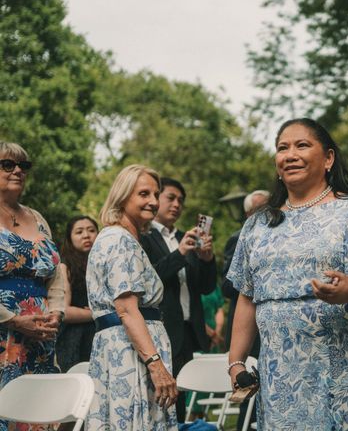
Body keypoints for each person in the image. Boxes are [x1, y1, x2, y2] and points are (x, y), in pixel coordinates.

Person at [227, 118, 348, 430]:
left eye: (302, 145)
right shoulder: (257, 225)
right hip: (280, 376)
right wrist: (236, 362)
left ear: (328, 159)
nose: (290, 154)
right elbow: (247, 297)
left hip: (346, 373)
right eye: (282, 148)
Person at [86, 164, 178, 430]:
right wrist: (155, 364)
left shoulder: (121, 238)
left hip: (122, 347)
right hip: (131, 353)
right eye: (143, 194)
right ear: (123, 196)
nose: (152, 201)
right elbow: (126, 310)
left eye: (155, 194)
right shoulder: (119, 240)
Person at [140, 177, 217, 423]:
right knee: (158, 397)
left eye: (180, 201)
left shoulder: (188, 237)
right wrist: (180, 253)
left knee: (180, 396)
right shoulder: (144, 235)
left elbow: (205, 287)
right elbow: (148, 279)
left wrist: (206, 258)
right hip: (159, 328)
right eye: (170, 198)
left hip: (187, 330)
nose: (176, 204)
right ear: (156, 198)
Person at [0, 142, 65, 431]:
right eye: (7, 165)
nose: (17, 171)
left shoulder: (38, 218)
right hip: (4, 331)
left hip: (40, 334)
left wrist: (57, 312)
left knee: (38, 413)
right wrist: (13, 320)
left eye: (23, 166)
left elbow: (56, 274)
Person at [221, 189, 269, 431]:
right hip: (248, 329)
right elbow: (227, 287)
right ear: (249, 213)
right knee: (247, 391)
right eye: (260, 209)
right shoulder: (238, 238)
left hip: (268, 329)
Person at [55, 215, 99, 372]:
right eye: (79, 232)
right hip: (75, 339)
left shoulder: (104, 264)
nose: (86, 235)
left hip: (102, 336)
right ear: (70, 238)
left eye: (91, 230)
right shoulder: (64, 267)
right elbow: (63, 311)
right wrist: (97, 314)